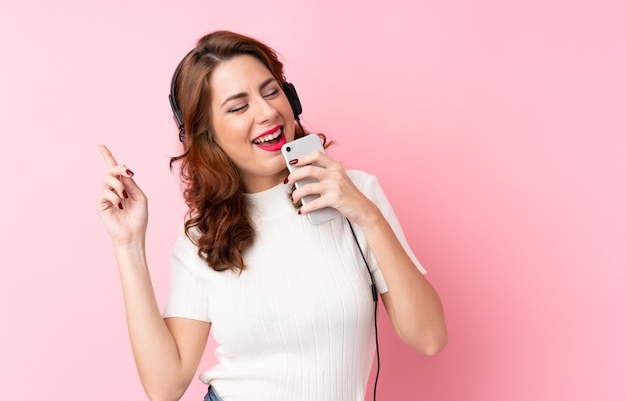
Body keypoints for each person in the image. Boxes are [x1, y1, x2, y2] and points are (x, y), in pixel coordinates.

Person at [97, 30, 447, 401]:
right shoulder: (203, 236)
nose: (267, 112)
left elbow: (429, 337)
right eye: (238, 106)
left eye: (271, 91)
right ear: (205, 135)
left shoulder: (357, 194)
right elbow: (165, 386)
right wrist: (128, 243)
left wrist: (366, 215)